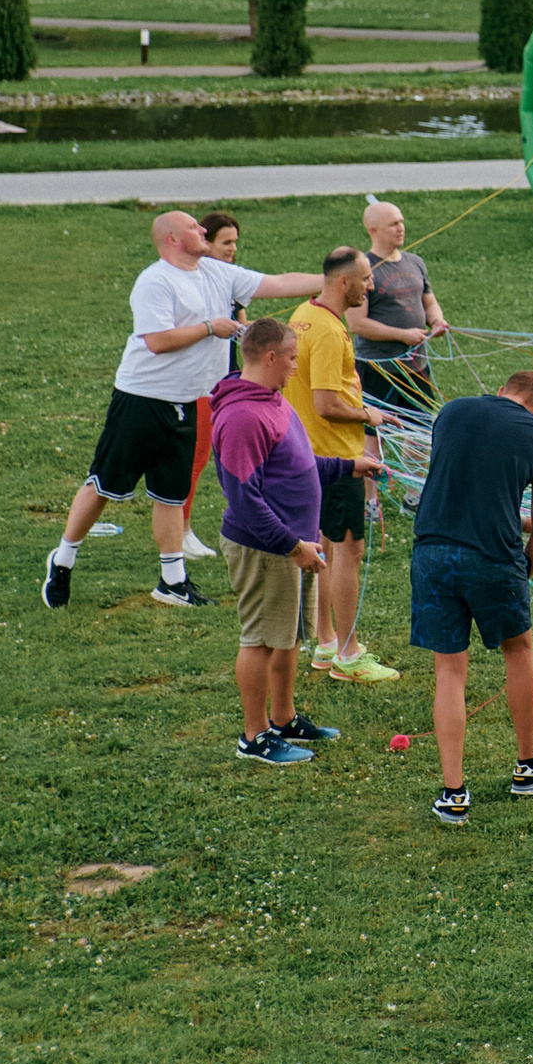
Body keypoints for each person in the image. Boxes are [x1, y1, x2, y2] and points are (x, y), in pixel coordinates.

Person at [44, 211, 322, 612]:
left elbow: (277, 284)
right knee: (105, 484)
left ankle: (171, 581)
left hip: (189, 400)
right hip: (142, 397)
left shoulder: (216, 271)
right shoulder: (154, 281)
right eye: (194, 227)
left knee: (172, 493)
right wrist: (211, 327)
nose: (204, 231)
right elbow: (156, 340)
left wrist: (329, 280)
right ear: (172, 239)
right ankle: (64, 558)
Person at [210, 319, 384, 765]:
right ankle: (254, 737)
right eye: (291, 358)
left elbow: (300, 465)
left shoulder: (273, 400)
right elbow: (244, 499)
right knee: (261, 640)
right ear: (269, 357)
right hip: (267, 547)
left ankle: (283, 719)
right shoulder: (243, 416)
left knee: (286, 639)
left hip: (293, 543)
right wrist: (292, 545)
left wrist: (348, 467)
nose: (295, 367)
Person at [409, 369, 533, 827]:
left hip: (432, 551)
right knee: (518, 651)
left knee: (449, 670)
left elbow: (463, 487)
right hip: (493, 559)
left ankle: (454, 793)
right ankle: (527, 766)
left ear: (500, 392)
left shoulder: (452, 412)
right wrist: (523, 571)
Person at [285, 249, 399, 685]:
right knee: (347, 550)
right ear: (343, 283)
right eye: (366, 279)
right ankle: (349, 655)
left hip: (308, 456)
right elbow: (327, 403)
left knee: (327, 551)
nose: (371, 287)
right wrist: (370, 415)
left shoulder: (303, 314)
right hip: (336, 459)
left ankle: (327, 642)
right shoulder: (332, 331)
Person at [180, 211, 249, 561]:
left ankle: (241, 522)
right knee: (195, 457)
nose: (233, 249)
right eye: (226, 242)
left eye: (236, 242)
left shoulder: (229, 281)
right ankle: (181, 530)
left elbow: (241, 323)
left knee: (225, 457)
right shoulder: (191, 281)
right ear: (205, 243)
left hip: (228, 381)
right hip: (199, 384)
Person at [348, 201, 448, 419]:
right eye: (393, 224)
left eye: (401, 221)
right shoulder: (363, 268)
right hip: (379, 369)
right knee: (377, 435)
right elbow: (357, 324)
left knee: (420, 433)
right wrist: (403, 336)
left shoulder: (415, 262)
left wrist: (437, 321)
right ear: (373, 231)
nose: (401, 228)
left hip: (416, 366)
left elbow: (429, 303)